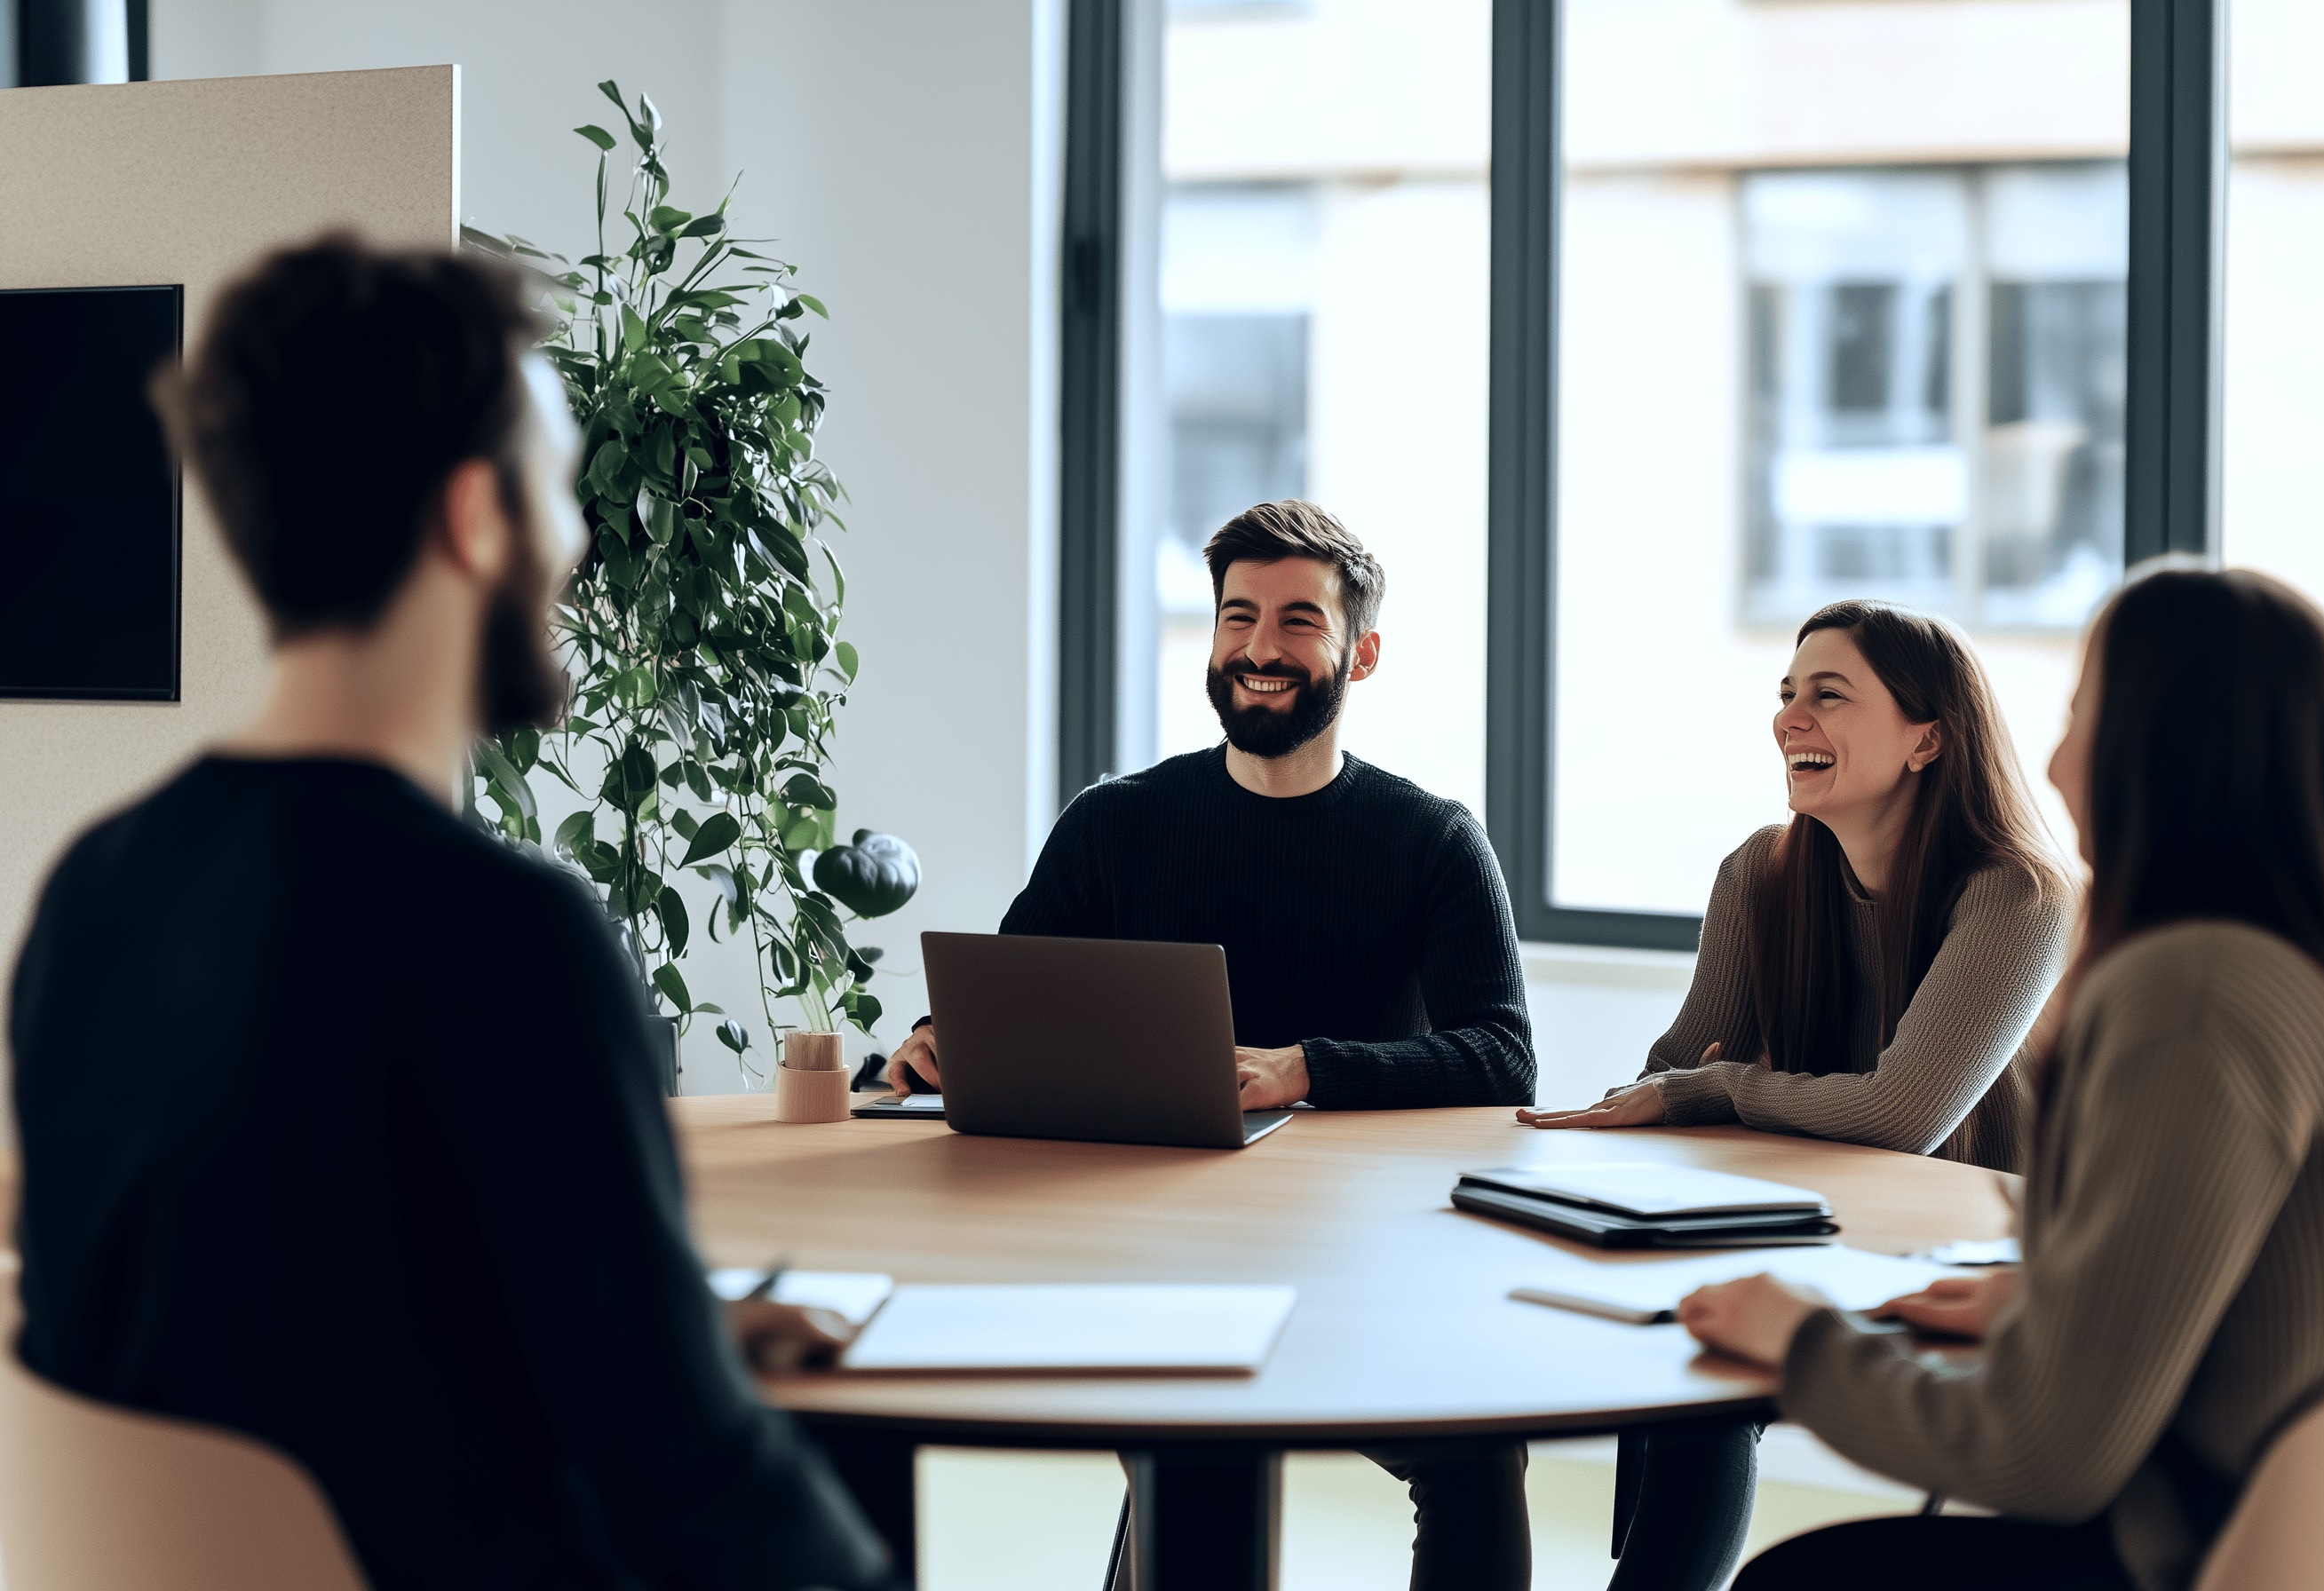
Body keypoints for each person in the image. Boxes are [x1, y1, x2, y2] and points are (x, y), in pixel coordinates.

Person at [8, 238, 890, 1589]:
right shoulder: (500, 934)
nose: (579, 539)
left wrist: (663, 1327)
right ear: (477, 518)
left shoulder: (95, 889)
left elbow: (296, 1310)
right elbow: (705, 1495)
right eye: (558, 488)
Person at [1686, 568, 2324, 1591]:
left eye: (2080, 714)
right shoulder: (2298, 973)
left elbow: (2047, 1452)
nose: (2055, 763)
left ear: (2167, 748)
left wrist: (1804, 1341)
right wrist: (2045, 1303)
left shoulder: (2186, 996)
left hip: (2191, 1549)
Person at [884, 498, 1536, 1590]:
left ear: (1359, 654)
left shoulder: (1433, 841)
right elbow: (1009, 993)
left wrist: (1306, 1067)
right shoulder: (1116, 822)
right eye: (1239, 618)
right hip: (1154, 1256)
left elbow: (1503, 1055)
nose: (1259, 649)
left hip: (1366, 1262)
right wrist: (935, 1041)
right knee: (1187, 1450)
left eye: (1296, 621)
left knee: (1477, 1454)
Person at [1519, 599, 2074, 1591]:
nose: (1789, 719)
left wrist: (1724, 1088)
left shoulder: (2016, 893)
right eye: (1786, 694)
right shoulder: (1761, 875)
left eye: (1828, 694)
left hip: (1974, 1261)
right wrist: (1693, 1092)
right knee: (1699, 1342)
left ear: (1927, 737)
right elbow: (1665, 1081)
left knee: (1718, 1340)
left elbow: (1904, 1115)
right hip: (1811, 1226)